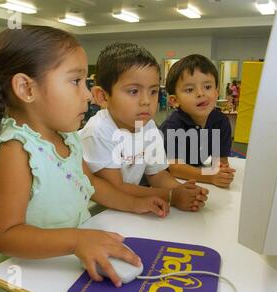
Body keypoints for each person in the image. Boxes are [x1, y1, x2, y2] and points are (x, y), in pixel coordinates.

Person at [0, 26, 169, 292]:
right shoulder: (15, 151)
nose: (88, 95)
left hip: (61, 265)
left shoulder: (70, 139)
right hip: (21, 284)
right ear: (26, 88)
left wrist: (136, 203)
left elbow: (91, 185)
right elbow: (6, 235)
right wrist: (76, 240)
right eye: (76, 81)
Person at [79, 43, 208, 213]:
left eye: (153, 91)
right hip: (94, 213)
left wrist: (184, 191)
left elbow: (157, 174)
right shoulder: (98, 131)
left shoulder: (148, 126)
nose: (146, 101)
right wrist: (171, 196)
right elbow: (116, 187)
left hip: (126, 209)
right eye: (133, 91)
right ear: (102, 97)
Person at [160, 54, 236, 188]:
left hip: (194, 175)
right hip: (166, 179)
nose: (201, 94)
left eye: (207, 87)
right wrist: (210, 176)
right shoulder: (174, 125)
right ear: (174, 101)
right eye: (190, 89)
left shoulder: (221, 122)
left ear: (216, 92)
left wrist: (223, 172)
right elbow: (174, 167)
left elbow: (220, 161)